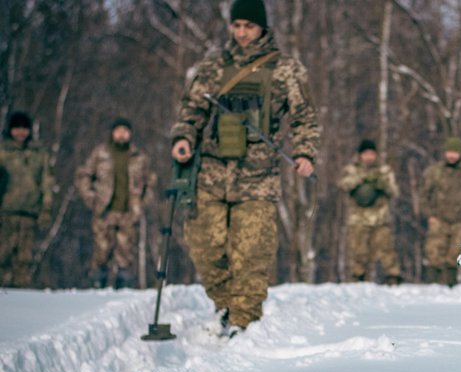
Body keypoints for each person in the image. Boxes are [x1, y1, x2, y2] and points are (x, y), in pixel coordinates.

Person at [169, 0, 320, 336]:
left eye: (248, 26)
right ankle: (226, 305)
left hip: (258, 177)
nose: (241, 33)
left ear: (262, 27)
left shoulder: (285, 69)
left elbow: (304, 117)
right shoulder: (213, 66)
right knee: (204, 244)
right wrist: (183, 139)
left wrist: (305, 153)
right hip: (211, 172)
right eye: (236, 25)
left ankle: (244, 320)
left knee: (251, 251)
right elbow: (192, 110)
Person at [76, 118, 156, 288]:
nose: (121, 135)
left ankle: (123, 292)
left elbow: (150, 182)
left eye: (125, 131)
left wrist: (141, 204)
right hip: (104, 211)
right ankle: (97, 288)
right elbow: (84, 175)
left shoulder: (139, 157)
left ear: (130, 134)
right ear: (112, 133)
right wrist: (91, 198)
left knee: (125, 255)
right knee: (101, 252)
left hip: (128, 213)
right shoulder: (100, 154)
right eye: (118, 131)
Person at [0, 111, 54, 288]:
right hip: (6, 211)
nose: (20, 132)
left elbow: (47, 182)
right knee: (3, 253)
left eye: (24, 128)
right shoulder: (3, 152)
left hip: (30, 212)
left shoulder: (38, 154)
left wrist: (46, 209)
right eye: (17, 128)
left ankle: (22, 292)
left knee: (25, 258)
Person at [337, 139, 401, 285]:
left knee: (386, 249)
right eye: (366, 154)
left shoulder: (384, 171)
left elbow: (394, 191)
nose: (369, 157)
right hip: (358, 219)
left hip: (380, 218)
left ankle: (393, 277)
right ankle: (358, 278)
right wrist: (361, 178)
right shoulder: (352, 170)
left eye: (371, 154)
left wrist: (380, 183)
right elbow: (343, 184)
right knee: (358, 251)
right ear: (360, 155)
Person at [420, 137, 461, 286]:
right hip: (438, 218)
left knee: (454, 254)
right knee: (434, 252)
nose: (452, 155)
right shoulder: (434, 172)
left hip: (459, 220)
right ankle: (432, 285)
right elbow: (424, 195)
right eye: (450, 152)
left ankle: (451, 286)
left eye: (455, 152)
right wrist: (429, 214)